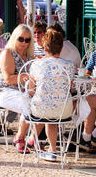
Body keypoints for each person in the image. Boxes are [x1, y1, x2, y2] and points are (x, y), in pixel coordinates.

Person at [28, 29, 75, 161]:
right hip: (64, 110)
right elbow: (69, 89)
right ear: (61, 47)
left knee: (41, 105)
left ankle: (31, 140)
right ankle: (52, 149)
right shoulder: (70, 65)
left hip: (41, 109)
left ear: (44, 47)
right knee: (52, 111)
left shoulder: (37, 64)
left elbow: (31, 91)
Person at [0, 24, 37, 153]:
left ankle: (34, 138)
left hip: (22, 92)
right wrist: (28, 76)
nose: (24, 42)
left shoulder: (29, 56)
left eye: (27, 40)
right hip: (3, 91)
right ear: (14, 38)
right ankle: (20, 137)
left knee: (42, 102)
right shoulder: (7, 53)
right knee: (28, 105)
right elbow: (8, 79)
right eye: (21, 39)